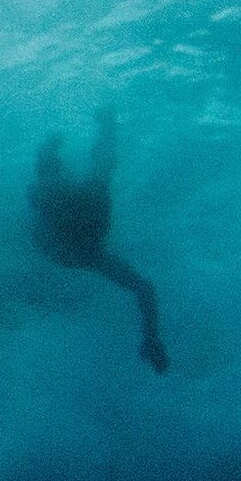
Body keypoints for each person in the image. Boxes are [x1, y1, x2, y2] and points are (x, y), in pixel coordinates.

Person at [28, 105, 168, 373]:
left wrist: (151, 337)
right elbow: (143, 288)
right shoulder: (81, 195)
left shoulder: (86, 194)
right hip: (70, 245)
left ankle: (54, 150)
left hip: (74, 245)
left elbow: (143, 288)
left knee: (90, 172)